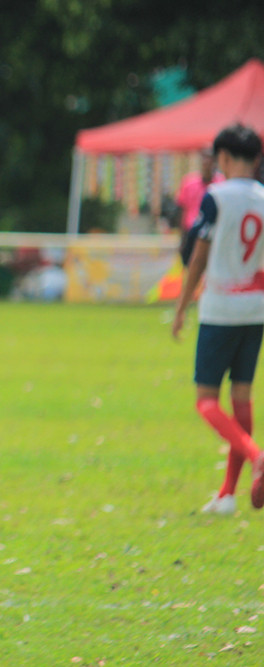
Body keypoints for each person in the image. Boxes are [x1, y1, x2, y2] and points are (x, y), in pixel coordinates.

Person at [172, 123, 264, 515]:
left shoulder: (216, 197)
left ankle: (257, 456)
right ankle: (227, 495)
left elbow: (199, 255)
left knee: (206, 402)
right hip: (256, 306)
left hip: (221, 307)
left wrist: (181, 304)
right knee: (241, 395)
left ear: (223, 158)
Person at [178, 149, 224, 265]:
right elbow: (183, 211)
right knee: (190, 266)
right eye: (204, 158)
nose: (207, 162)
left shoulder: (222, 183)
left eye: (210, 159)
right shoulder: (189, 183)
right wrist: (182, 239)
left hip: (212, 234)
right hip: (192, 234)